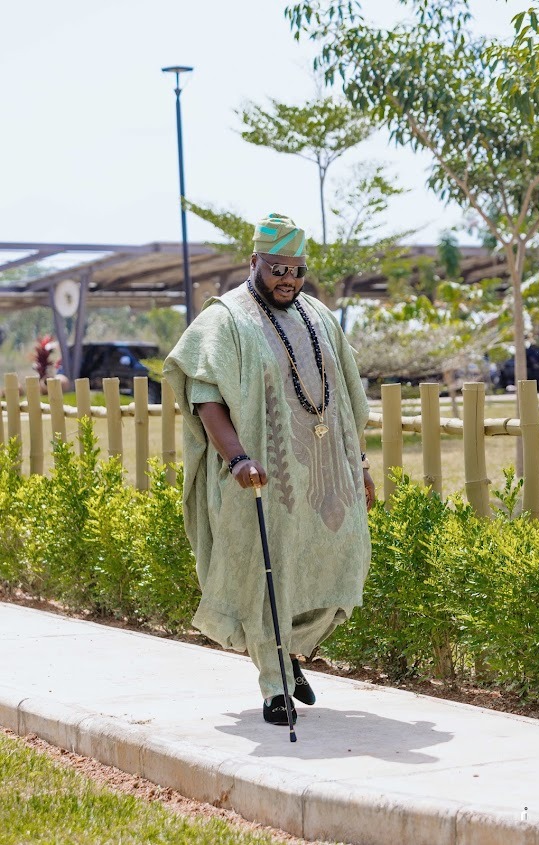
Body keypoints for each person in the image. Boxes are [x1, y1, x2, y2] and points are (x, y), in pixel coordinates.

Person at [164, 213, 374, 727]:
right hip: (257, 481)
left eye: (298, 270)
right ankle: (275, 684)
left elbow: (346, 399)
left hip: (324, 480)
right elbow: (203, 396)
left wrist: (361, 465)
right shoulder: (226, 319)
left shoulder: (319, 315)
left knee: (342, 566)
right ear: (254, 261)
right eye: (278, 268)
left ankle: (289, 653)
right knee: (270, 579)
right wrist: (236, 457)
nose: (289, 279)